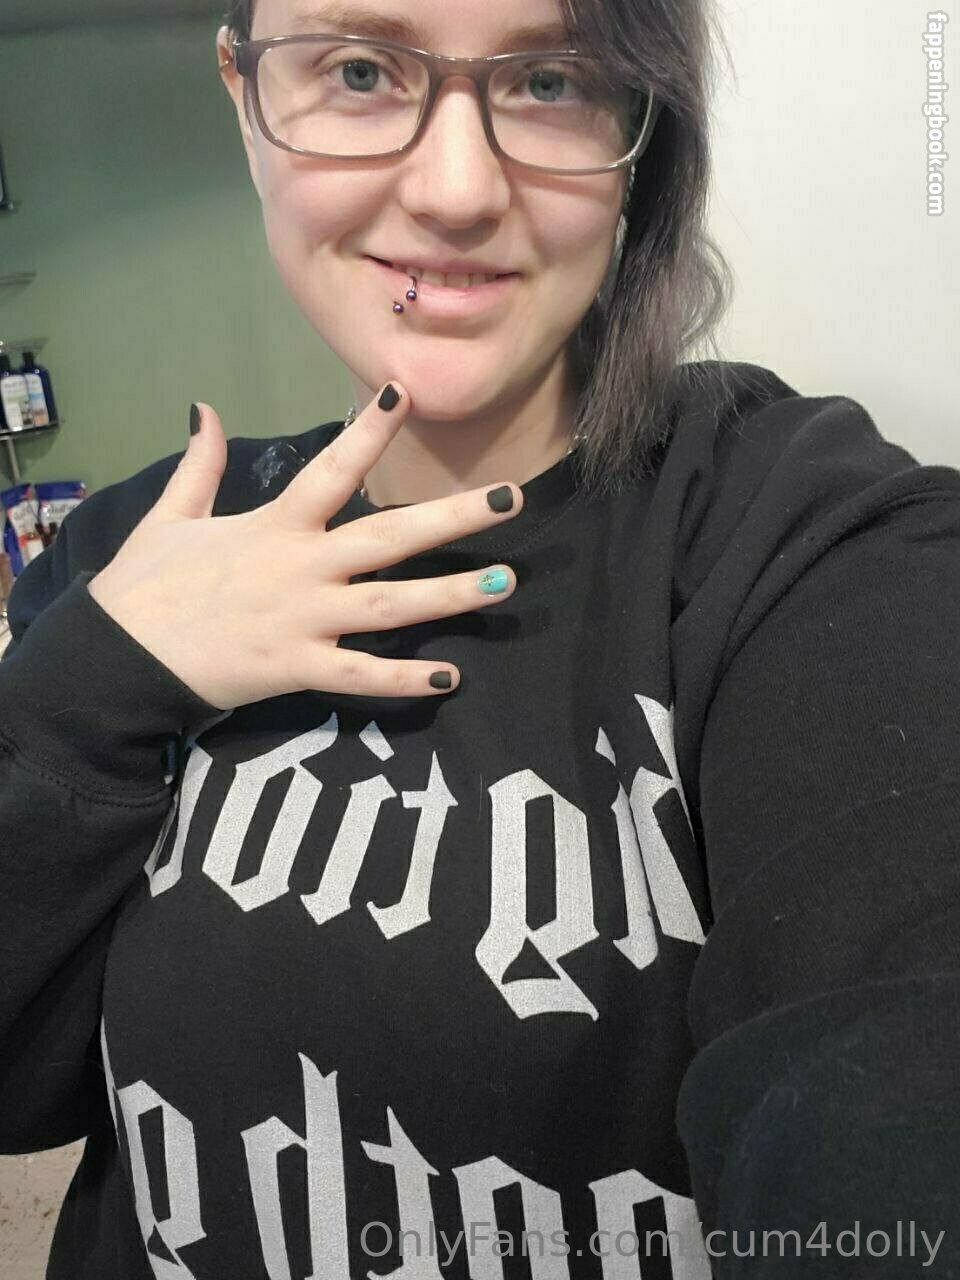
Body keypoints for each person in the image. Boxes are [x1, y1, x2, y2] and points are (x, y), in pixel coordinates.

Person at [1, 0, 958, 1276]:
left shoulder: (798, 537)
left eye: (552, 80)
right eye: (359, 70)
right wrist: (100, 675)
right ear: (244, 100)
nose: (456, 190)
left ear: (641, 130)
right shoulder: (133, 547)